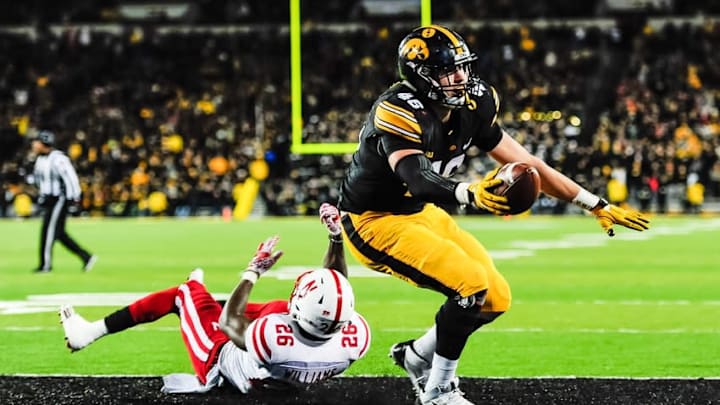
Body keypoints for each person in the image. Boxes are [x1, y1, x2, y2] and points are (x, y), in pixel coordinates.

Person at [336, 25, 650, 405]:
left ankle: (417, 356)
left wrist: (593, 203)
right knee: (470, 287)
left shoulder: (475, 103)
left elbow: (528, 164)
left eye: (462, 67)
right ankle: (438, 390)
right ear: (420, 76)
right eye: (447, 71)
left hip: (422, 212)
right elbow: (417, 178)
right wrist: (470, 193)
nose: (460, 78)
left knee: (495, 298)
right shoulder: (397, 109)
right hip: (374, 220)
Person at [59, 203, 370, 394]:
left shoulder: (271, 338)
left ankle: (87, 333)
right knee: (276, 307)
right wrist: (335, 237)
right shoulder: (353, 339)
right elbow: (335, 283)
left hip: (219, 362)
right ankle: (203, 302)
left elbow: (227, 323)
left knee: (184, 294)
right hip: (288, 372)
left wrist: (254, 270)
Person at [29, 130, 96, 273]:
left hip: (59, 198)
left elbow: (70, 178)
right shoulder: (40, 159)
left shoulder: (58, 158)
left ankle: (45, 265)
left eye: (36, 142)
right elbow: (39, 180)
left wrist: (75, 198)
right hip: (49, 199)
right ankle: (86, 257)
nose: (34, 145)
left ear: (44, 143)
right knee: (59, 233)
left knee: (48, 231)